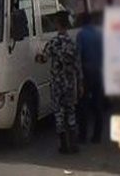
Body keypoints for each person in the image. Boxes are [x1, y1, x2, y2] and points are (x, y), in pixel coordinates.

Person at [36, 11, 83, 154]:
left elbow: (43, 59)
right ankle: (74, 144)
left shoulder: (53, 43)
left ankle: (63, 145)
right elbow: (78, 66)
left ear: (57, 24)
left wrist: (37, 57)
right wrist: (80, 84)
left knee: (59, 113)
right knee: (71, 111)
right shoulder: (72, 43)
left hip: (57, 83)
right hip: (70, 82)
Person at [76, 12, 104, 144]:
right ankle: (97, 136)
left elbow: (78, 56)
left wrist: (79, 78)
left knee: (83, 105)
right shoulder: (98, 34)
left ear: (82, 22)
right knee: (98, 105)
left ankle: (83, 136)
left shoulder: (81, 35)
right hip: (98, 72)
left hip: (86, 72)